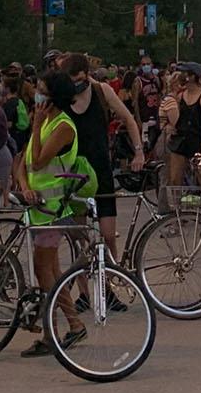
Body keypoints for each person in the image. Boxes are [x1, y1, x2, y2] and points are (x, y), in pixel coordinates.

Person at [19, 70, 90, 358]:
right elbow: (21, 162)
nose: (36, 95)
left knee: (43, 270)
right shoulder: (47, 120)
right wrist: (24, 188)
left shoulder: (62, 126)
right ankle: (70, 326)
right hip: (36, 208)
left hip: (52, 210)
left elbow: (37, 161)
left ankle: (60, 329)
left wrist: (36, 126)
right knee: (52, 271)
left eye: (41, 90)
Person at [62, 53, 145, 260]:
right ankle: (83, 289)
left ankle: (111, 279)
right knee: (78, 239)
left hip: (100, 168)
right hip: (74, 171)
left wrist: (139, 151)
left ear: (87, 74)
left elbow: (128, 119)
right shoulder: (62, 96)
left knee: (108, 236)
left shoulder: (101, 91)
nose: (76, 85)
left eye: (79, 80)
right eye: (71, 81)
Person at [162, 63, 201, 187]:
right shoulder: (181, 95)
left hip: (196, 140)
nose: (181, 76)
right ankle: (177, 205)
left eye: (185, 74)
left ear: (192, 76)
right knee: (175, 180)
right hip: (180, 140)